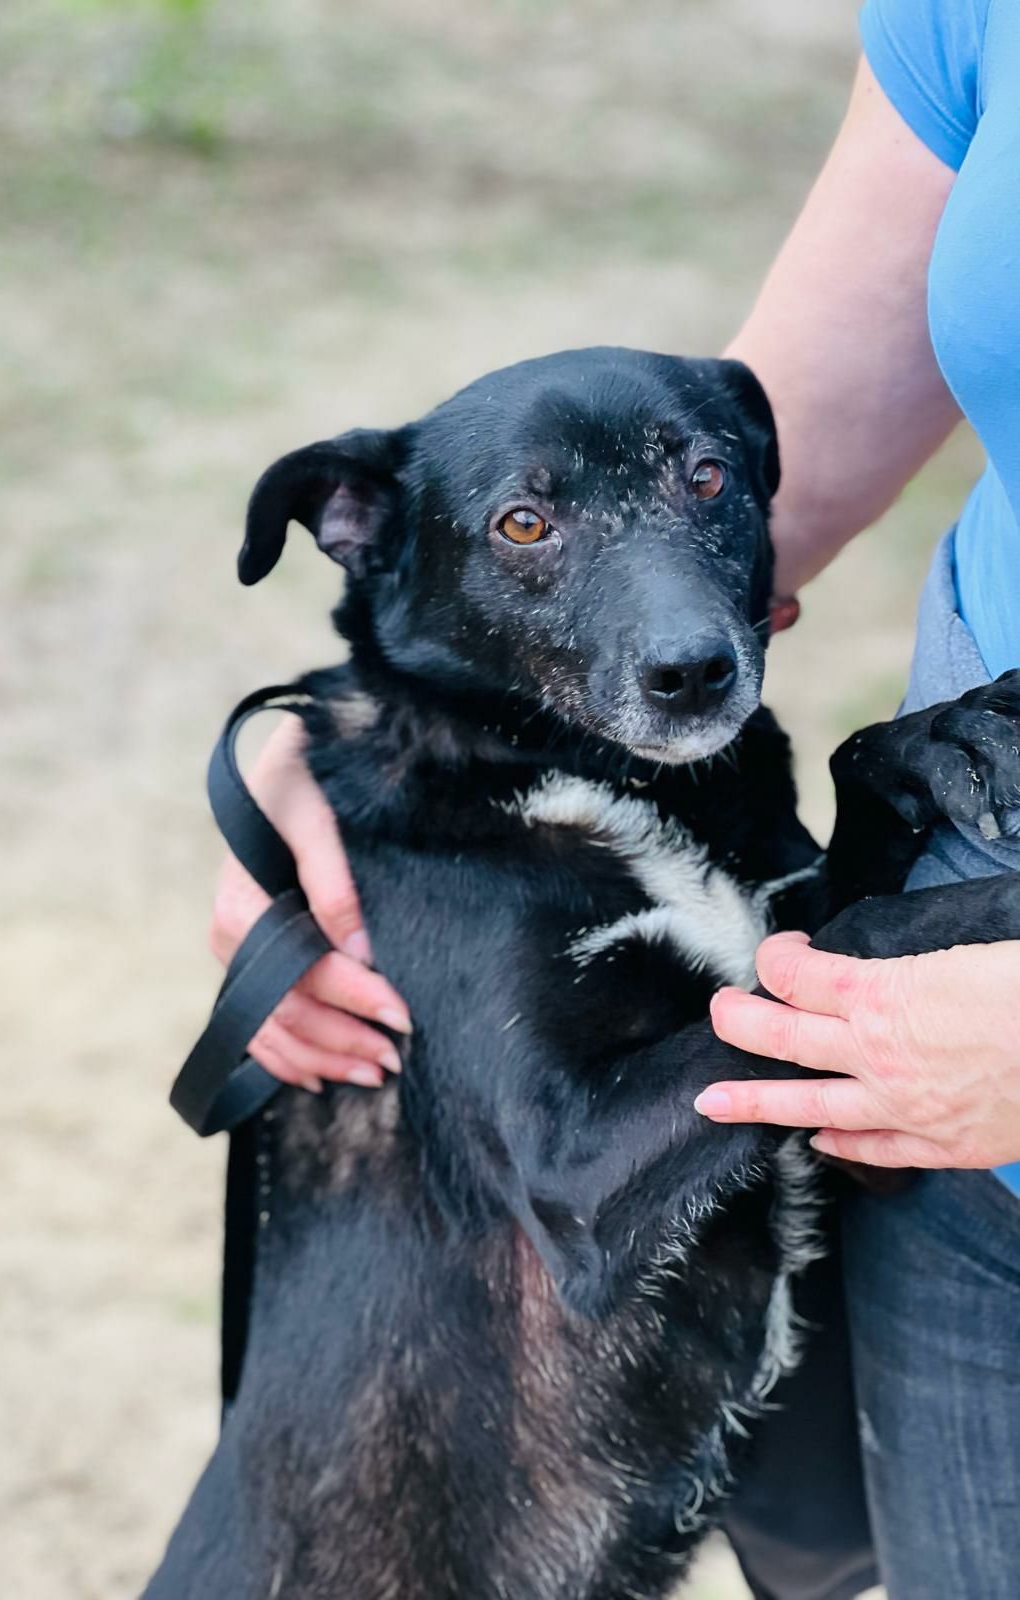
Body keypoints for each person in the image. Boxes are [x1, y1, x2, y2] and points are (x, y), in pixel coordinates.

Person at [209, 3, 1020, 1594]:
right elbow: (748, 453)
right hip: (945, 1122)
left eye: (704, 492)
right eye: (531, 527)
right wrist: (309, 753)